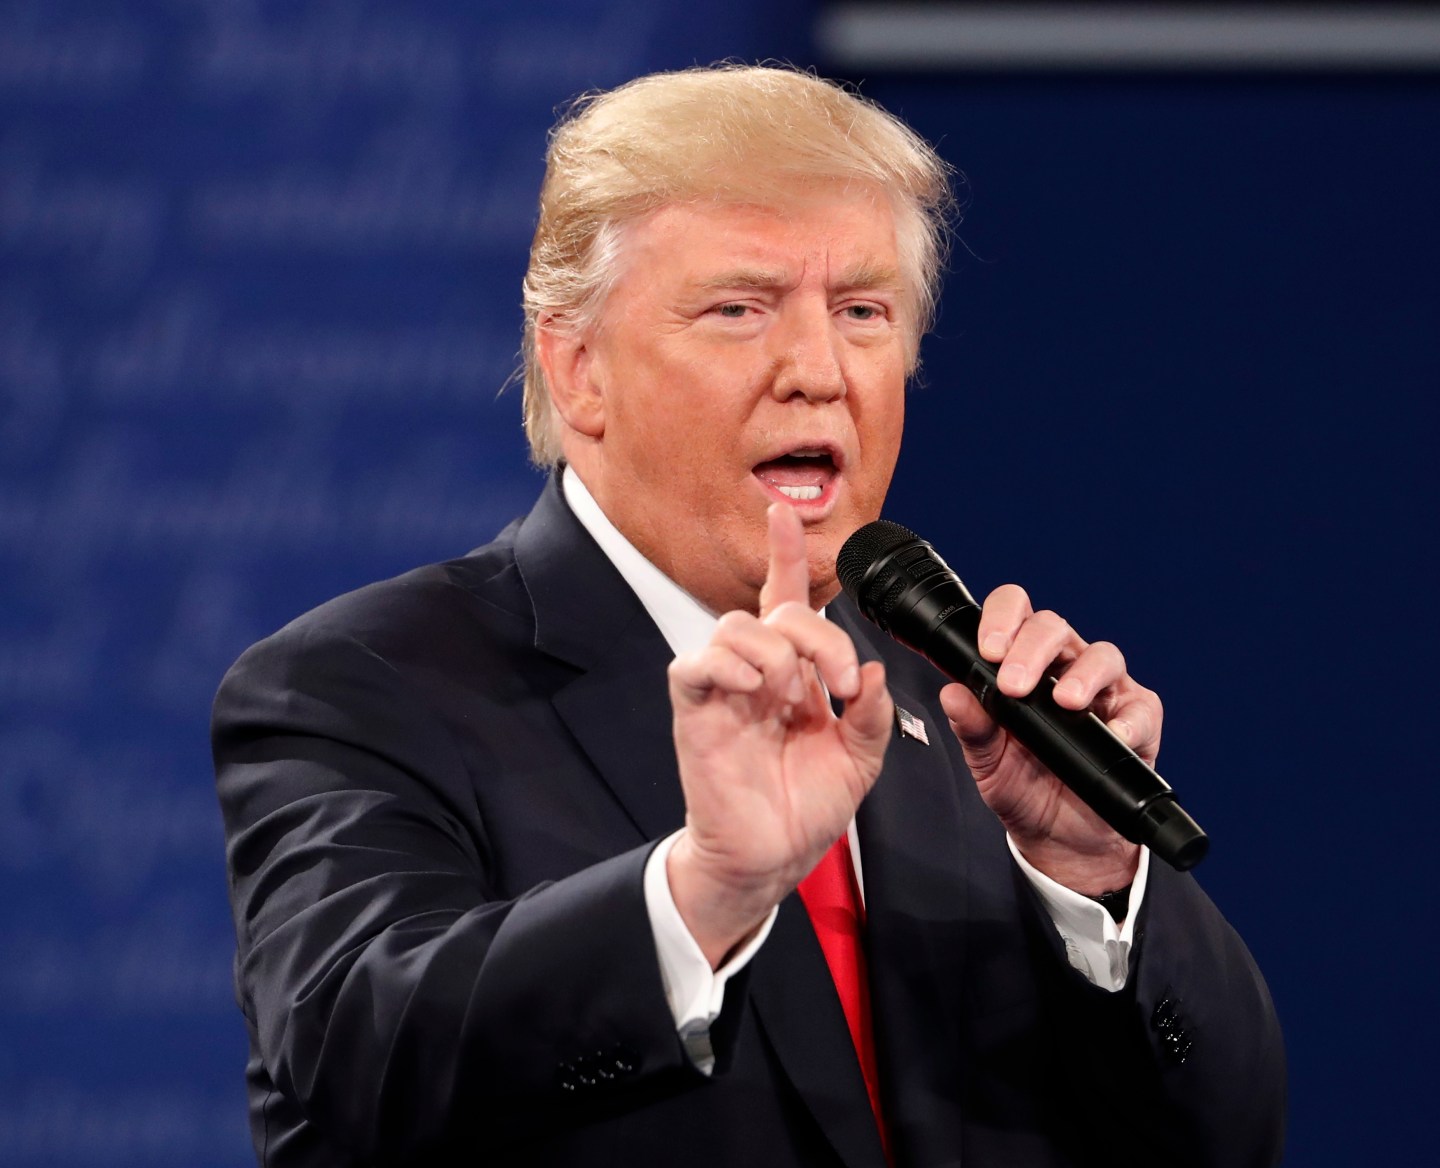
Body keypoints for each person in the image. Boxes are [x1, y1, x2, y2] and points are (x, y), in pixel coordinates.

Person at [212, 64, 1285, 1167]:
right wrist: (704, 892)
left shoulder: (965, 713)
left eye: (862, 311)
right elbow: (362, 1067)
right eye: (740, 310)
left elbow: (1230, 1135)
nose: (818, 371)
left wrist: (1094, 876)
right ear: (577, 367)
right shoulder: (363, 685)